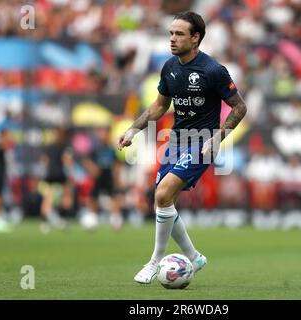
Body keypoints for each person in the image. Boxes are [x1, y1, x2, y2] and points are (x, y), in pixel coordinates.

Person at [118, 11, 247, 284]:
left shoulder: (213, 71)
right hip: (176, 142)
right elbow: (159, 106)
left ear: (195, 38)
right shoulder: (170, 68)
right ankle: (194, 256)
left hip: (202, 143)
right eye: (171, 34)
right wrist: (133, 129)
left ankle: (154, 262)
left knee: (163, 194)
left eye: (179, 34)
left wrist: (218, 137)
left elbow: (240, 107)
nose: (172, 39)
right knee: (163, 201)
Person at [82, 127, 124, 230]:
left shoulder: (111, 149)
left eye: (105, 134)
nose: (103, 136)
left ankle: (116, 220)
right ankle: (93, 218)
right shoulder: (96, 149)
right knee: (93, 198)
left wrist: (117, 177)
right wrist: (92, 168)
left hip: (109, 177)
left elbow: (117, 163)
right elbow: (86, 160)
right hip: (98, 178)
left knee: (115, 197)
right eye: (101, 133)